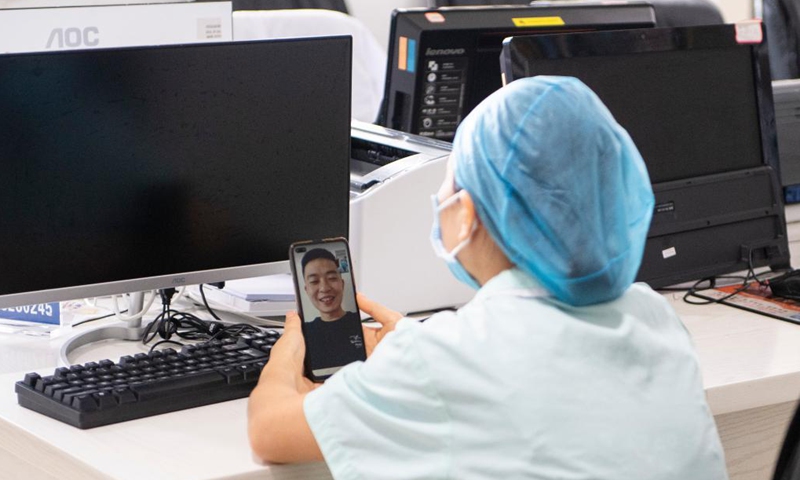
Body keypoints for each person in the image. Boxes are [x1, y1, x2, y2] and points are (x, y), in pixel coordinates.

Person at [248, 76, 729, 478]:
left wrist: (289, 348)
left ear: (471, 214)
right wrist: (410, 343)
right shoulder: (657, 319)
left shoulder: (446, 360)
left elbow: (269, 432)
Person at [299, 248, 363, 371]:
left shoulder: (360, 325)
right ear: (306, 290)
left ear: (342, 284)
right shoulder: (303, 333)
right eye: (314, 281)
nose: (324, 288)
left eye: (332, 278)